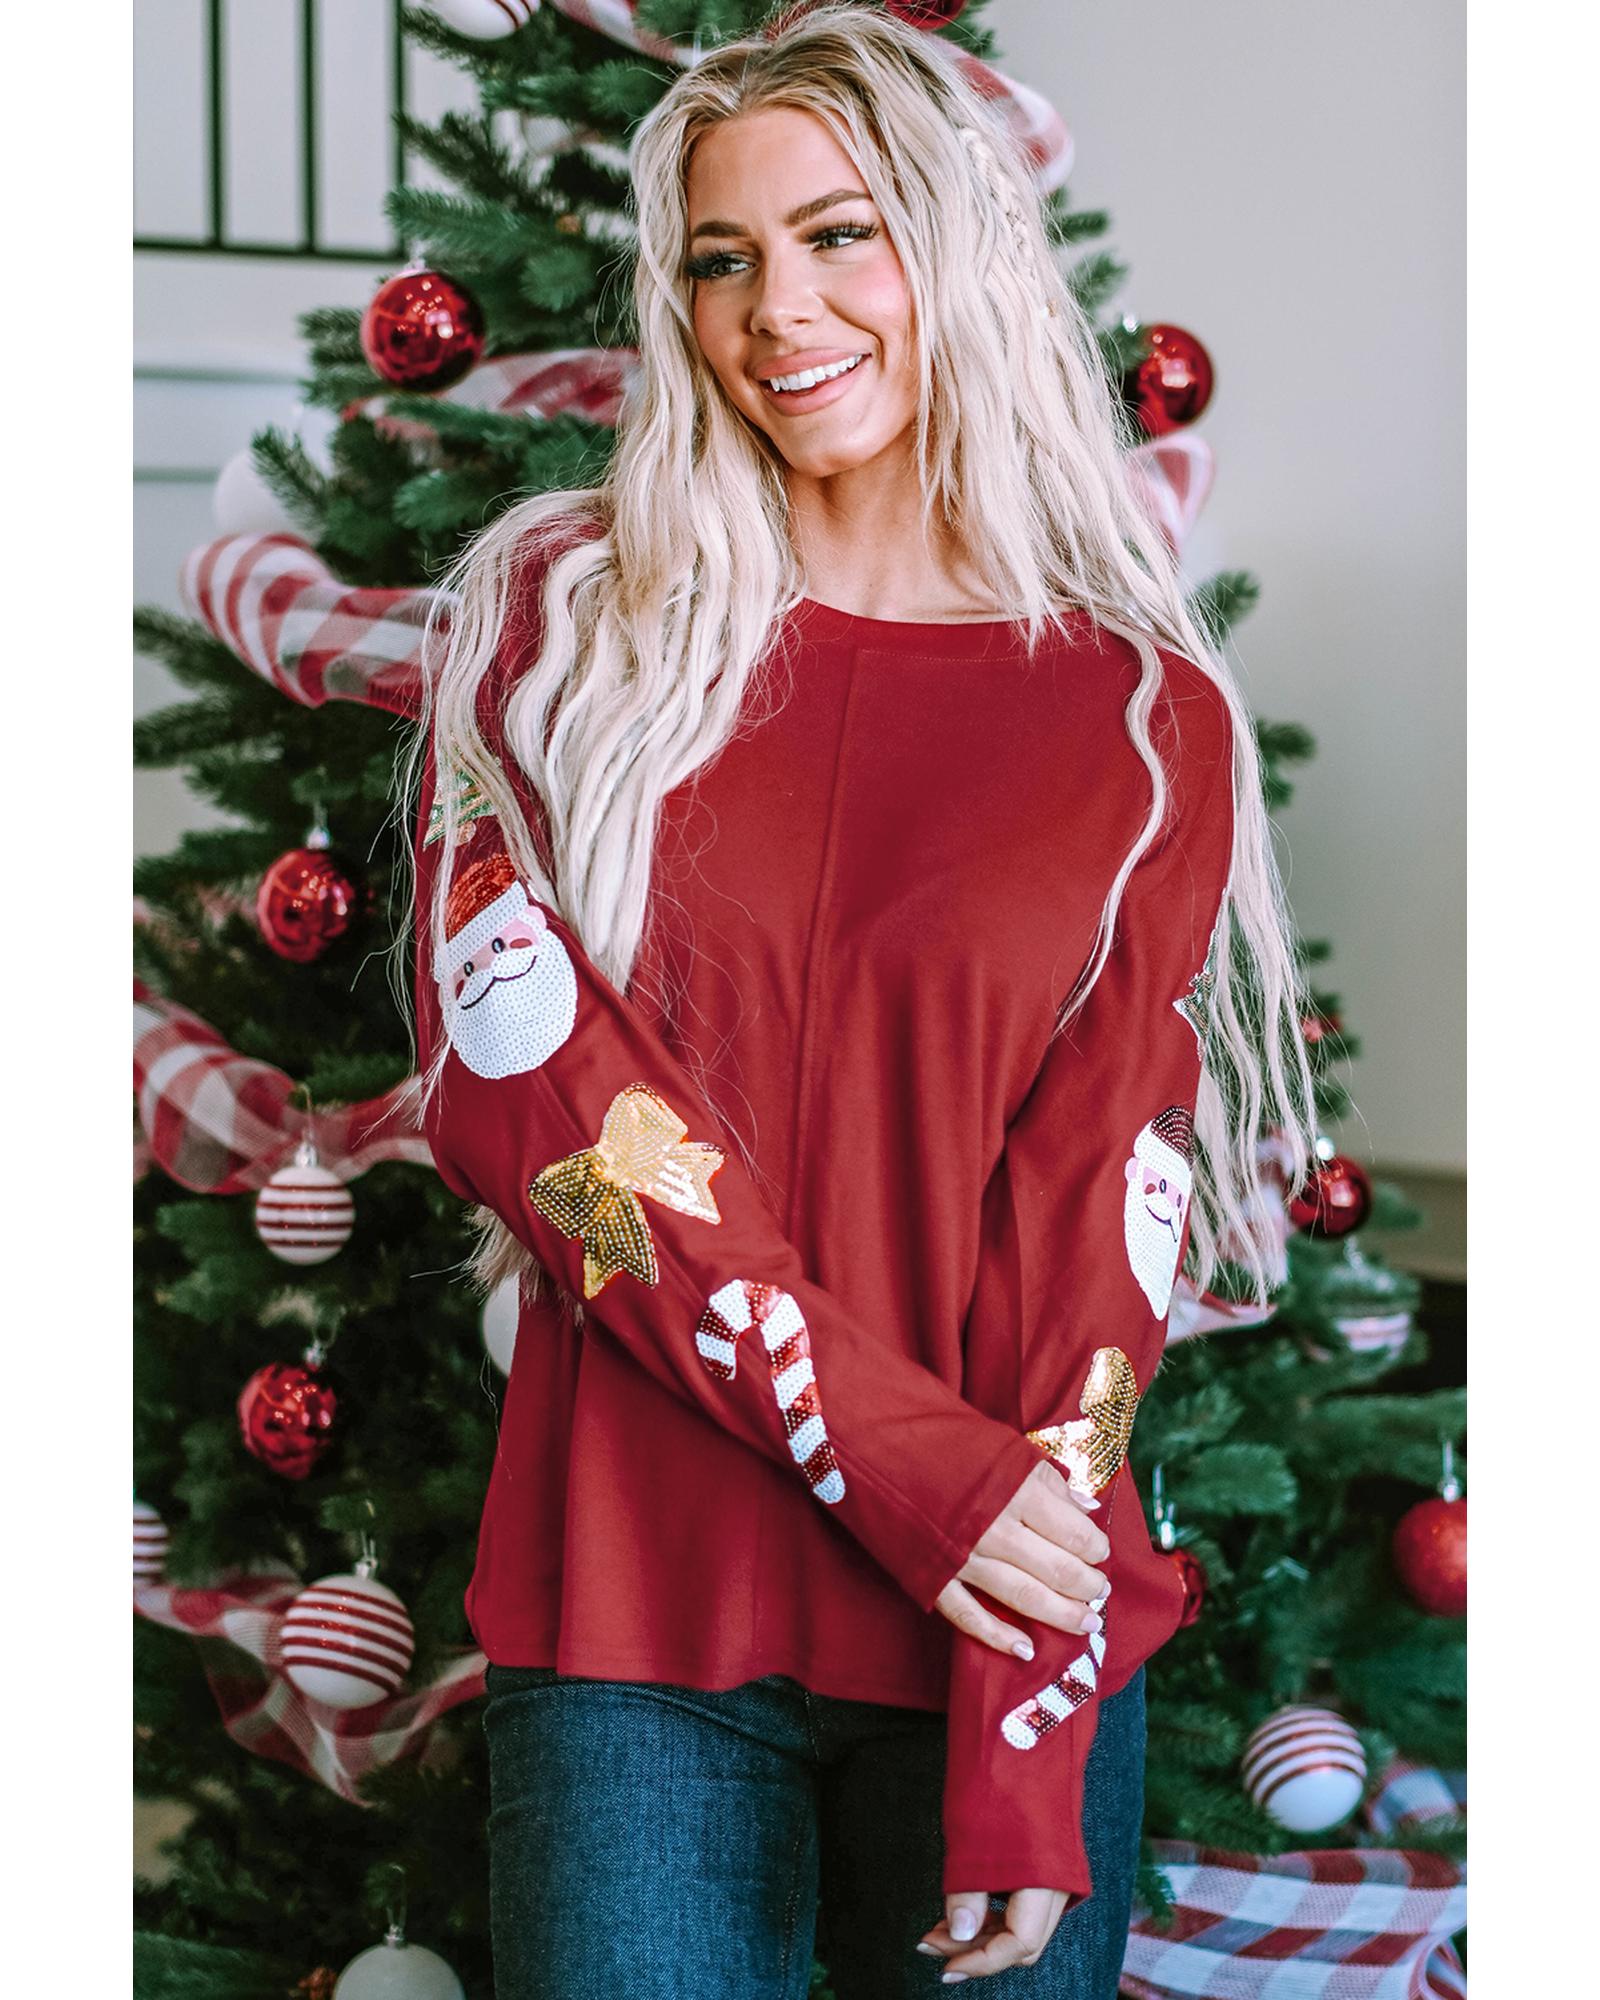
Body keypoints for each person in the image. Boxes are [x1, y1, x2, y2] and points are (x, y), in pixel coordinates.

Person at [403, 5, 1317, 1994]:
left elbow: (1102, 1218)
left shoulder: (1139, 715)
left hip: (992, 1620)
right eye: (721, 259)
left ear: (953, 254)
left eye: (838, 236)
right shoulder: (558, 633)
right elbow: (533, 1103)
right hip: (632, 1619)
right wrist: (903, 1463)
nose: (779, 311)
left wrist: (1026, 1726)